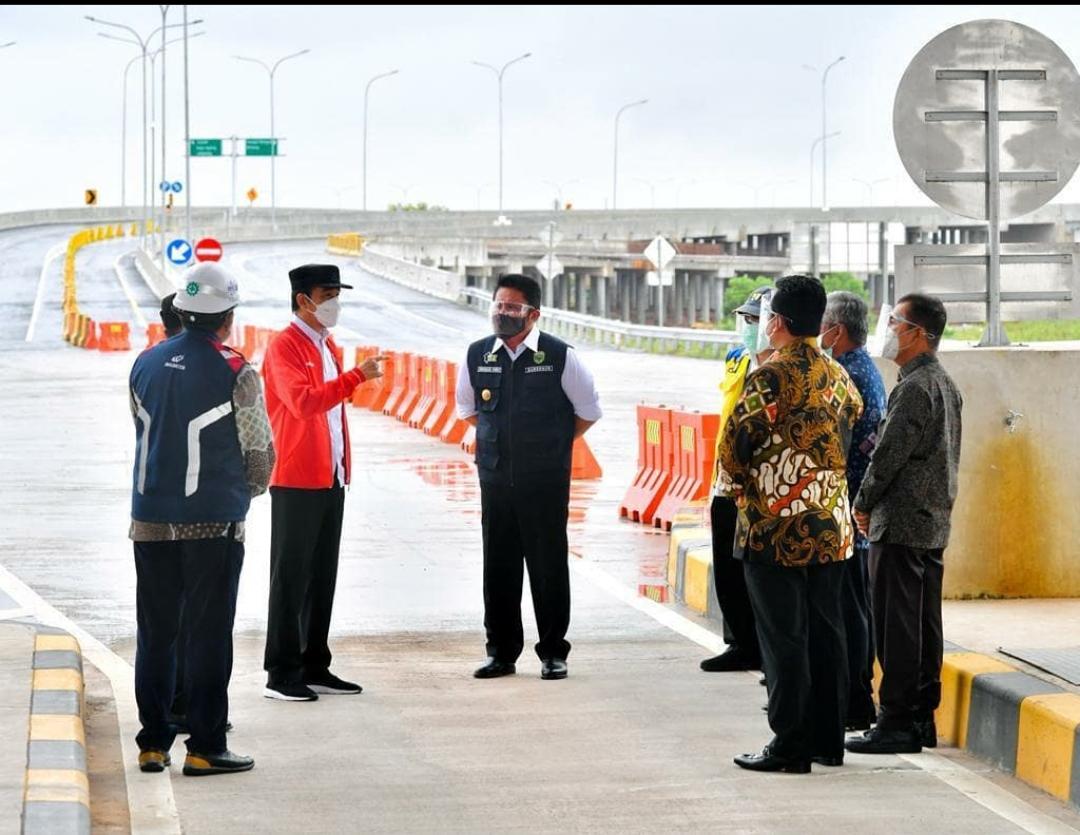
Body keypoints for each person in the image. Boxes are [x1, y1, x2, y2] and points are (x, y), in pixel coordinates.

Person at [129, 262, 273, 776]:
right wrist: (242, 496)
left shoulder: (144, 362)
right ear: (227, 316)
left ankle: (152, 742)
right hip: (212, 521)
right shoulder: (236, 369)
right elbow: (258, 451)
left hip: (148, 517)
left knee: (156, 632)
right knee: (208, 634)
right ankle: (206, 745)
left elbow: (143, 428)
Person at [720, 274, 863, 774]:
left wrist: (745, 492)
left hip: (774, 527)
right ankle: (828, 741)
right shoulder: (836, 373)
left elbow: (735, 444)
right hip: (831, 526)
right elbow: (854, 418)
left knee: (784, 639)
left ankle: (789, 745)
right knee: (828, 634)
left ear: (776, 322)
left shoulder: (770, 375)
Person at [455, 273, 602, 681]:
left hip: (545, 483)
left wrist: (552, 444)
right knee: (498, 569)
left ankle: (553, 652)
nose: (502, 313)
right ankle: (501, 652)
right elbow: (467, 410)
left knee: (548, 566)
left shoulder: (558, 356)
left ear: (533, 314)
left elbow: (588, 410)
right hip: (496, 481)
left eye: (512, 307)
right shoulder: (477, 355)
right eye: (498, 305)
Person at [261, 264, 384, 701]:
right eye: (327, 294)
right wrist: (356, 377)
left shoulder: (325, 343)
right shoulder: (285, 347)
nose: (334, 302)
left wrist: (343, 463)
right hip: (296, 477)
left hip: (330, 474)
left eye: (337, 293)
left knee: (321, 575)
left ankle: (315, 663)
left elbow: (332, 411)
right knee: (291, 576)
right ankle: (281, 671)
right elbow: (303, 403)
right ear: (303, 301)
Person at [847, 294, 962, 755]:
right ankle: (919, 718)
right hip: (930, 520)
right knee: (923, 623)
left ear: (917, 333)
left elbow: (887, 455)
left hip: (900, 522)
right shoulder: (943, 384)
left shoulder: (916, 388)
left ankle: (896, 720)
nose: (888, 328)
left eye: (895, 321)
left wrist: (863, 501)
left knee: (896, 626)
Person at [819, 292, 887, 731]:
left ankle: (854, 701)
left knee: (849, 613)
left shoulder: (847, 374)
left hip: (848, 512)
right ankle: (851, 699)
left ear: (837, 330)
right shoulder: (865, 369)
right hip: (854, 513)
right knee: (853, 611)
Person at [700, 287, 774, 673]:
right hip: (726, 480)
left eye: (754, 320)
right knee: (726, 568)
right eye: (744, 319)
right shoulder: (736, 360)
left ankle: (764, 647)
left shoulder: (781, 369)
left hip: (761, 488)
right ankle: (739, 643)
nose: (747, 327)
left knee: (759, 575)